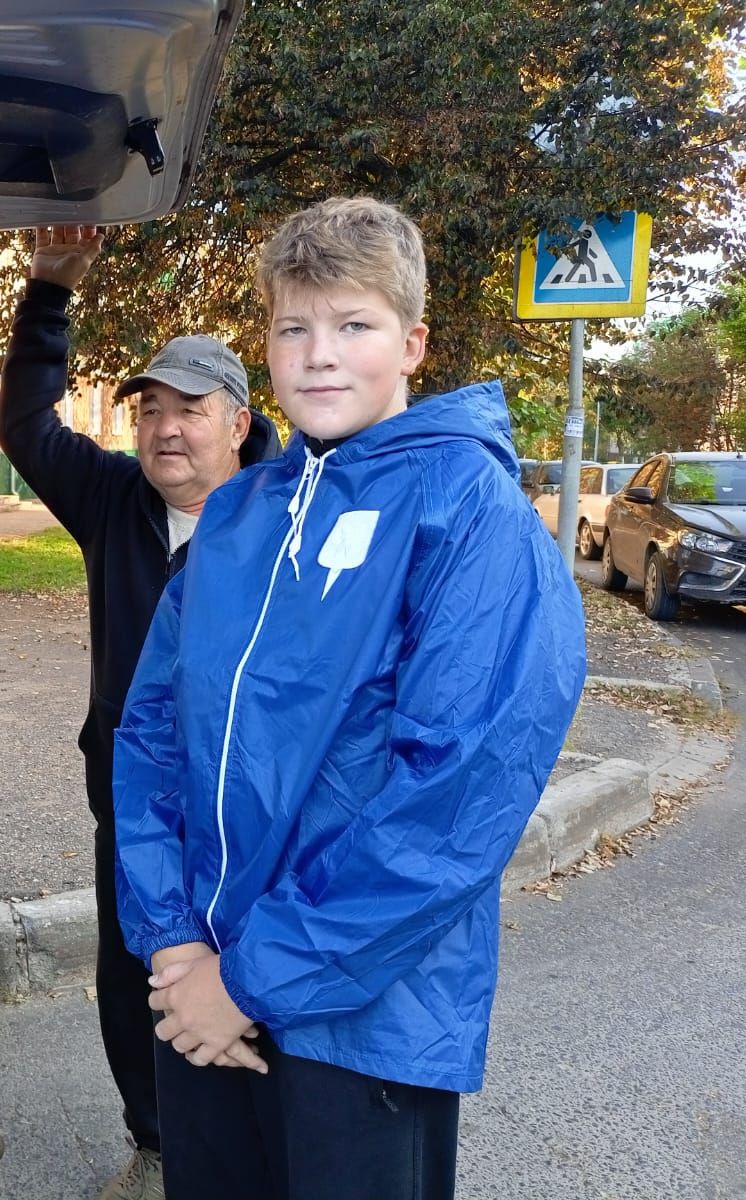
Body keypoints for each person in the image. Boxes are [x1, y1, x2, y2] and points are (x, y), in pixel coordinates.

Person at [113, 197, 587, 1200]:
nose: (319, 355)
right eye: (295, 327)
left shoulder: (468, 513)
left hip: (363, 1017)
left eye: (354, 326)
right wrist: (175, 941)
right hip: (202, 987)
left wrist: (248, 980)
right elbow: (153, 730)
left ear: (413, 342)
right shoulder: (241, 512)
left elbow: (455, 798)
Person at [0, 223, 282, 1200]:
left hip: (253, 808)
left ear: (238, 422)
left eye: (189, 409)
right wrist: (47, 290)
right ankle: (159, 1145)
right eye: (149, 410)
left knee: (255, 969)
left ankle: (266, 1136)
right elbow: (26, 429)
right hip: (133, 804)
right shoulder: (114, 501)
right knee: (138, 977)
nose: (164, 428)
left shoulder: (292, 518)